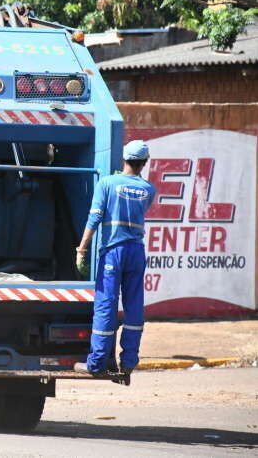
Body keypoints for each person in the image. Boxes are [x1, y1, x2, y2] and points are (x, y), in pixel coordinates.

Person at [74, 140, 156, 381]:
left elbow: (94, 218)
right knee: (133, 307)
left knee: (106, 305)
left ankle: (97, 362)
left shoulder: (107, 183)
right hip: (136, 252)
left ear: (124, 158)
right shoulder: (149, 189)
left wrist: (82, 249)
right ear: (144, 163)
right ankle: (128, 363)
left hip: (113, 252)